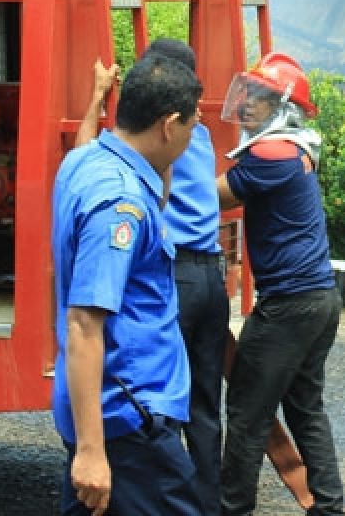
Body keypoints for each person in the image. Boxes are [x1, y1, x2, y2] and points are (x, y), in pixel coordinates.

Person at [76, 39, 229, 515]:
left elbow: (84, 158)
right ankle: (202, 503)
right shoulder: (196, 134)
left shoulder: (161, 139)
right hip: (211, 278)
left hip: (175, 272)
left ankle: (153, 491)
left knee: (159, 403)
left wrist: (97, 99)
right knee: (206, 406)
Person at [52, 54, 203, 516]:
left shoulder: (84, 162)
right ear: (168, 124)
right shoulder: (120, 205)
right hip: (129, 417)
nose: (192, 136)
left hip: (113, 412)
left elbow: (156, 193)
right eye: (192, 125)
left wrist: (96, 98)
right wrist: (93, 452)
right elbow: (84, 324)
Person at [216, 51, 345, 516]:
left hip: (289, 305)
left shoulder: (271, 153)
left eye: (260, 96)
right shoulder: (296, 147)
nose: (247, 102)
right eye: (247, 92)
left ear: (283, 106)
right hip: (319, 298)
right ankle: (329, 507)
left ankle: (232, 510)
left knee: (247, 414)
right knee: (305, 406)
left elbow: (213, 195)